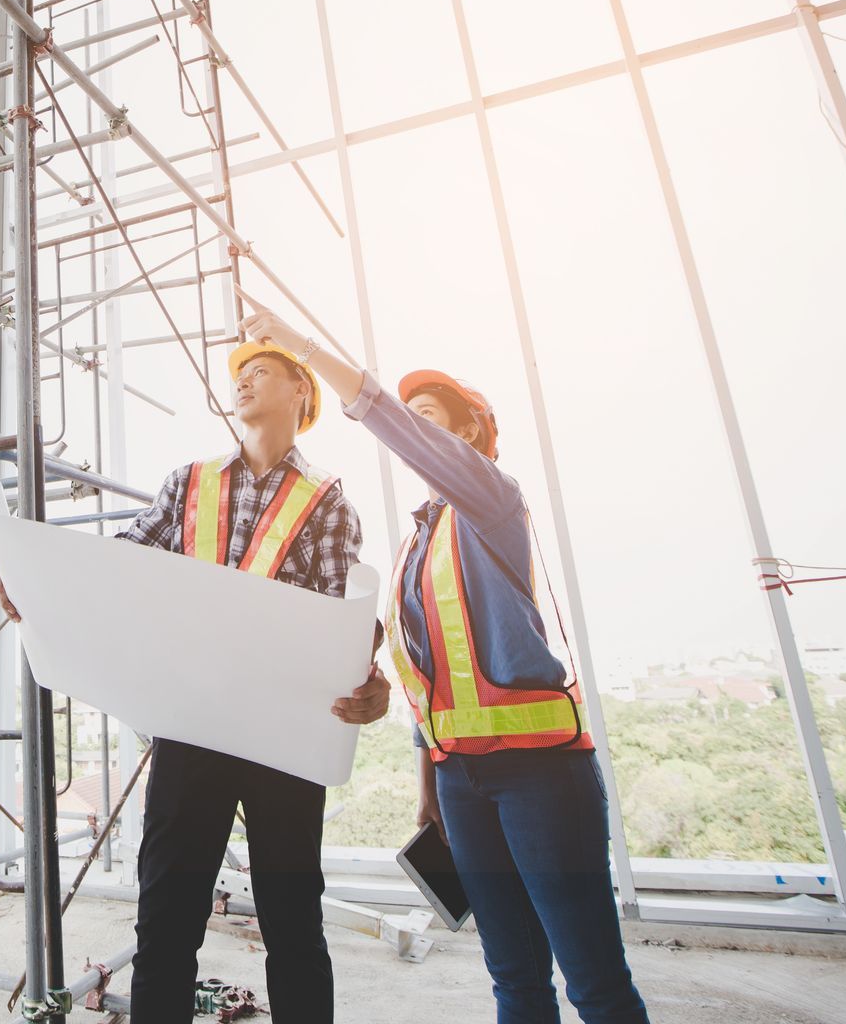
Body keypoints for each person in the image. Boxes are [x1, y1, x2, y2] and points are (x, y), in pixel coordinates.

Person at [239, 300, 650, 1024]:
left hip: (540, 772)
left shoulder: (494, 503)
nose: (413, 422)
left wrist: (303, 345)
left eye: (429, 415)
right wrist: (431, 786)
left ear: (468, 435)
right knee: (514, 978)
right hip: (463, 782)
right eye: (413, 413)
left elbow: (383, 418)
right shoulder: (414, 549)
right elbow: (427, 678)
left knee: (594, 982)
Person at [0, 339, 389, 1024]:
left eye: (260, 371)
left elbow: (342, 616)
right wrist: (41, 585)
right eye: (239, 375)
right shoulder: (190, 483)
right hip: (194, 728)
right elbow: (117, 566)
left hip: (282, 738)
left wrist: (368, 671)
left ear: (302, 391)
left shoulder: (327, 502)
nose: (242, 382)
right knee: (168, 923)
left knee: (293, 927)